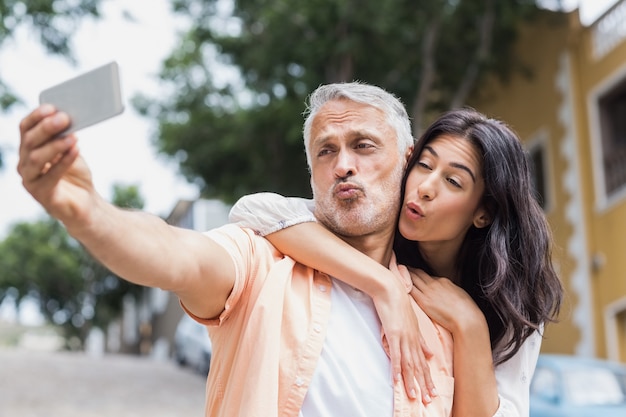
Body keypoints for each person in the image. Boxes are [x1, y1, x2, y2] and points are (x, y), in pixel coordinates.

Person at [17, 82, 455, 416]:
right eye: (326, 151)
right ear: (311, 173)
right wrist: (89, 212)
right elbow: (175, 255)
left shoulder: (439, 314)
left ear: (408, 160)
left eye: (363, 145)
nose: (343, 165)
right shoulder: (260, 261)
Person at [230, 108, 564, 417]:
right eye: (424, 165)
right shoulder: (377, 234)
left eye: (453, 181)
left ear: (483, 212)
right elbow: (257, 210)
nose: (425, 188)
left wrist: (470, 326)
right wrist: (384, 283)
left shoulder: (514, 300)